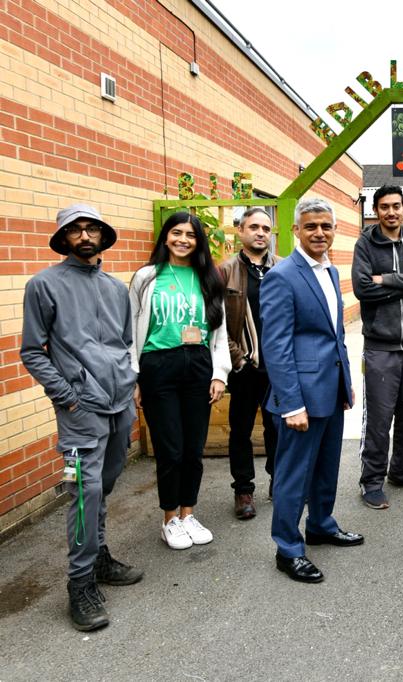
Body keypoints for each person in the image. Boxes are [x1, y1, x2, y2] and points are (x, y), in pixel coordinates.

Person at [21, 204, 144, 631]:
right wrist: (68, 398)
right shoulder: (44, 285)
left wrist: (131, 389)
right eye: (76, 230)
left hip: (119, 405)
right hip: (79, 412)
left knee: (105, 484)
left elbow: (125, 344)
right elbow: (32, 352)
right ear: (63, 238)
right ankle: (80, 583)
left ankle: (100, 557)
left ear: (103, 235)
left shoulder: (114, 288)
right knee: (83, 492)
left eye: (92, 228)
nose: (85, 235)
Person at [261, 198, 362, 584]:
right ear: (295, 231)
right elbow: (276, 345)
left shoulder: (331, 272)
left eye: (326, 226)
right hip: (299, 398)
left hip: (330, 389)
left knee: (326, 466)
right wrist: (291, 404)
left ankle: (321, 524)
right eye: (311, 226)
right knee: (293, 476)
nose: (319, 232)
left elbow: (334, 333)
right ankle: (288, 548)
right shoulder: (282, 276)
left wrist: (346, 383)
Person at [129, 212, 230, 551]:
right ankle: (169, 519)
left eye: (191, 234)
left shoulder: (208, 278)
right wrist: (135, 379)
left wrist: (219, 374)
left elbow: (219, 333)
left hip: (198, 365)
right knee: (170, 450)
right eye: (177, 233)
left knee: (193, 449)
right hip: (158, 365)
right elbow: (130, 332)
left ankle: (188, 514)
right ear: (166, 237)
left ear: (199, 240)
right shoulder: (147, 277)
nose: (183, 239)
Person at [352, 185, 403, 510]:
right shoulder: (365, 244)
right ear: (376, 210)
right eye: (384, 206)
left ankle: (402, 470)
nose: (391, 212)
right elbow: (362, 288)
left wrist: (385, 279)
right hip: (380, 348)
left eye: (396, 206)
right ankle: (371, 481)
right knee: (379, 419)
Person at [219, 207, 280, 519]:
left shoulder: (282, 268)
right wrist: (238, 359)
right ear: (240, 232)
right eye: (254, 227)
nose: (260, 233)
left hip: (278, 364)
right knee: (241, 430)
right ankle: (243, 490)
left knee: (277, 427)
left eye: (266, 229)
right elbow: (215, 322)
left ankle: (278, 481)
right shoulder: (226, 270)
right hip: (243, 365)